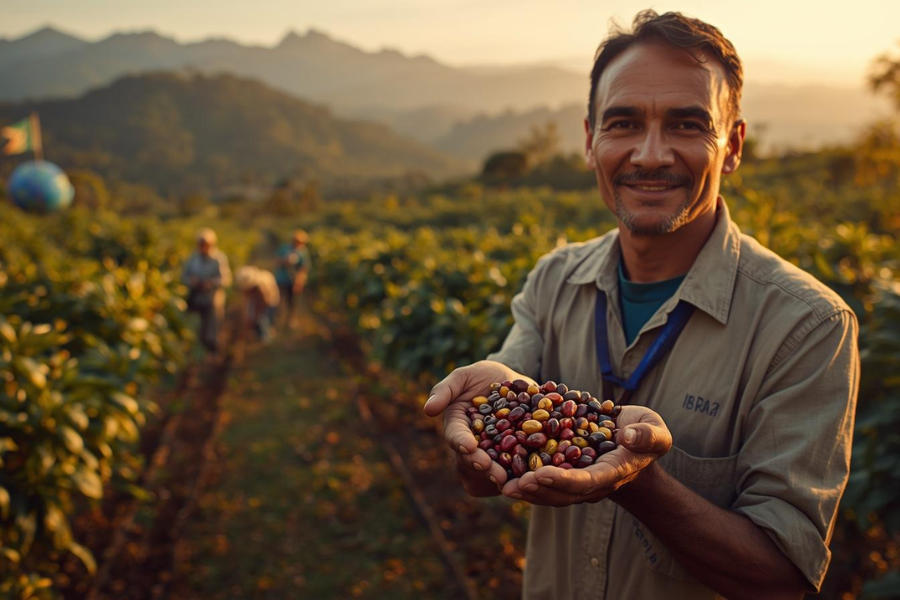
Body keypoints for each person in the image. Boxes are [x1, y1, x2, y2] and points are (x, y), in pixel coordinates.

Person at [424, 10, 859, 600]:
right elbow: (484, 472)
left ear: (732, 146)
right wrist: (478, 431)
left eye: (686, 125)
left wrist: (638, 484)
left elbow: (781, 577)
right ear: (590, 141)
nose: (650, 155)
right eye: (624, 123)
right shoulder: (555, 280)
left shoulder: (807, 326)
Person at [182, 228, 232, 356]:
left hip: (213, 300)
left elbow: (226, 279)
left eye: (206, 244)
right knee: (198, 329)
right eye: (201, 244)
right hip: (197, 299)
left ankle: (213, 353)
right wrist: (192, 281)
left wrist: (211, 283)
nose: (203, 247)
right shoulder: (193, 258)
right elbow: (184, 276)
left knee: (212, 329)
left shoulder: (218, 258)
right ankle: (198, 353)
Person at [235, 265, 280, 344]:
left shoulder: (262, 286)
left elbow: (265, 302)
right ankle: (259, 336)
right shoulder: (247, 287)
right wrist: (246, 317)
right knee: (255, 317)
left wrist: (255, 316)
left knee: (263, 318)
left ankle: (266, 338)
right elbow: (246, 302)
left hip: (270, 301)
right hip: (262, 300)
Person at [274, 230, 311, 328]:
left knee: (293, 301)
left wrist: (299, 281)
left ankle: (291, 319)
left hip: (294, 280)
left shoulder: (303, 251)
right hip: (282, 279)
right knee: (280, 300)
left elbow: (304, 267)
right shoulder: (284, 248)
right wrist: (285, 261)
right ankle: (277, 318)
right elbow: (277, 260)